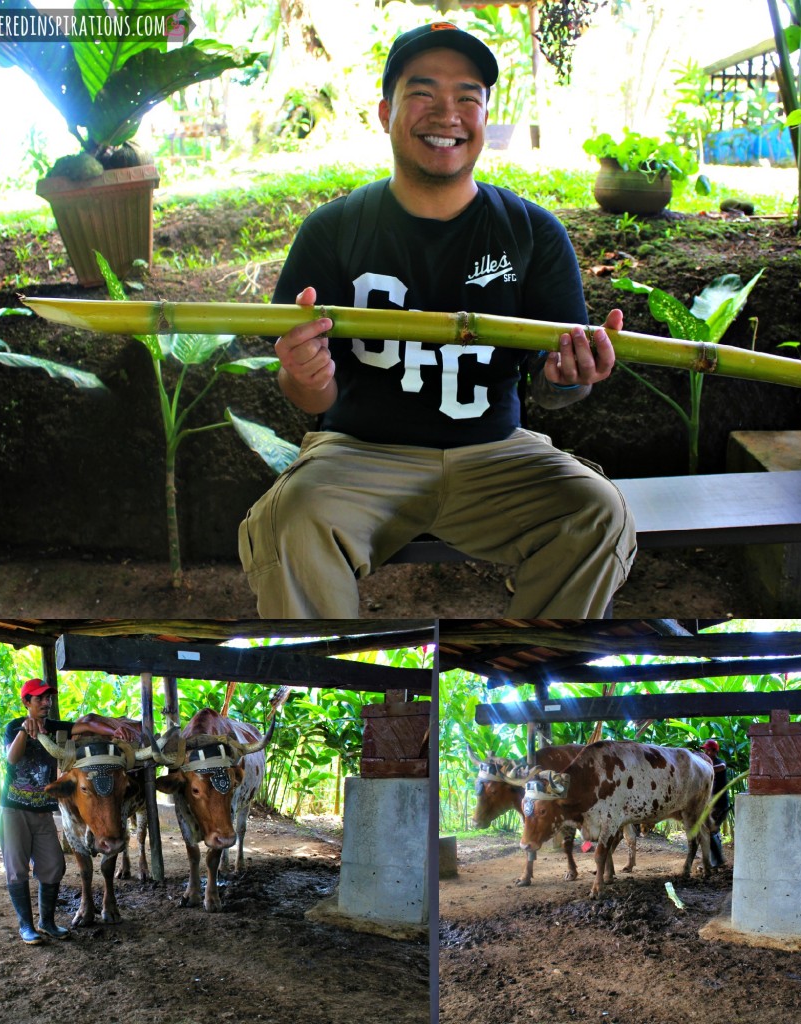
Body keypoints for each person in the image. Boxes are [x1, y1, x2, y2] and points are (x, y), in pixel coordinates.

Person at [238, 21, 636, 618]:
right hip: (358, 455)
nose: (446, 113)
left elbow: (557, 392)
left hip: (496, 452)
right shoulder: (334, 229)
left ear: (484, 116)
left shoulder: (533, 233)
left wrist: (569, 376)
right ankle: (335, 681)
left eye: (467, 97)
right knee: (291, 521)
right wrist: (305, 370)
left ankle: (526, 671)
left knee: (598, 513)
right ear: (384, 111)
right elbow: (306, 392)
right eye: (422, 93)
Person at [1, 677, 132, 944]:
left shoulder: (57, 729)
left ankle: (47, 922)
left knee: (54, 865)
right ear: (27, 702)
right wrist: (25, 732)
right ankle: (27, 926)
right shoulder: (14, 727)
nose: (46, 703)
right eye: (40, 698)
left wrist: (112, 730)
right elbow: (11, 759)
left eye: (48, 698)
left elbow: (84, 725)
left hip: (45, 810)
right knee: (17, 869)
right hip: (14, 809)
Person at [702, 738, 729, 868]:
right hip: (712, 805)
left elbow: (722, 767)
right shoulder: (707, 764)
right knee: (711, 831)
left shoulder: (719, 763)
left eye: (707, 750)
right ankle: (715, 860)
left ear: (714, 751)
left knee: (709, 830)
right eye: (705, 750)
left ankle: (717, 861)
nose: (706, 753)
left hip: (720, 805)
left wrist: (704, 767)